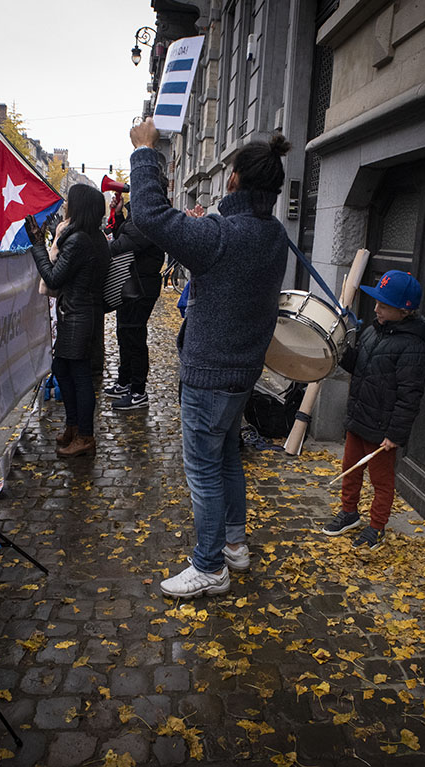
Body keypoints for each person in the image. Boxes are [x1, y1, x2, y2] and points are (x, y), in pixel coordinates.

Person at [127, 118, 290, 599]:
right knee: (226, 460)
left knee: (203, 471)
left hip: (210, 377)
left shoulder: (222, 235)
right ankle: (235, 545)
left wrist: (145, 152)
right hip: (242, 373)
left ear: (235, 180)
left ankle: (210, 566)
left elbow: (151, 216)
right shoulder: (274, 234)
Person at [321, 270, 425, 549]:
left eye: (384, 305)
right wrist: (341, 352)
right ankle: (349, 513)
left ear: (404, 310)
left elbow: (410, 396)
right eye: (377, 302)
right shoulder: (372, 331)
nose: (376, 309)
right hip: (359, 418)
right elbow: (359, 367)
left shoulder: (413, 347)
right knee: (349, 468)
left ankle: (377, 527)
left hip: (382, 431)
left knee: (381, 481)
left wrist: (395, 434)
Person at [26, 183, 110, 458]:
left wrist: (38, 247)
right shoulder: (94, 237)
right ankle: (74, 426)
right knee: (62, 368)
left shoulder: (78, 241)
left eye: (69, 203)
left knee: (80, 377)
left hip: (77, 316)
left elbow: (53, 278)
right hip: (82, 314)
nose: (65, 208)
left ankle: (85, 435)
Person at [104, 192, 165, 411]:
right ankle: (125, 381)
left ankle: (138, 391)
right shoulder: (141, 213)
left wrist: (100, 247)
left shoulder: (148, 215)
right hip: (132, 282)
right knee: (124, 333)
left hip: (141, 286)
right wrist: (119, 215)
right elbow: (124, 236)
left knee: (134, 335)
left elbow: (124, 244)